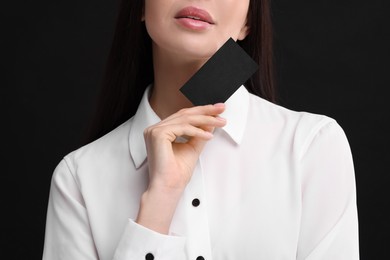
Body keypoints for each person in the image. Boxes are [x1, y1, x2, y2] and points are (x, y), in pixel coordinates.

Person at [42, 0, 359, 259]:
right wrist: (159, 201)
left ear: (248, 21)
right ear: (140, 6)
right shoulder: (78, 178)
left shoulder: (310, 148)